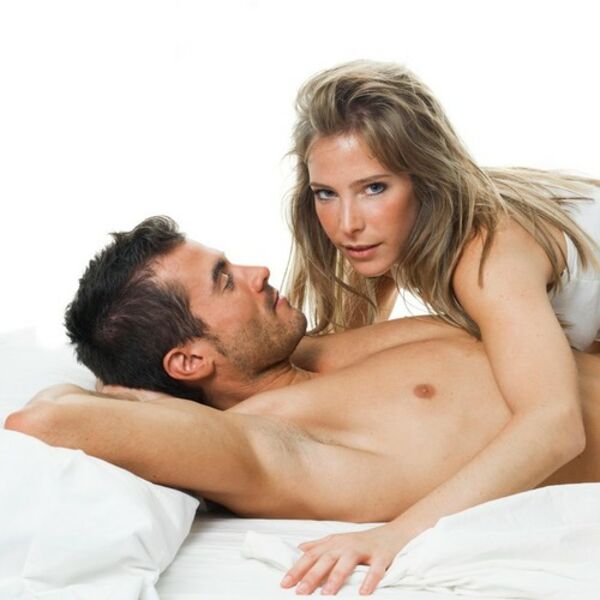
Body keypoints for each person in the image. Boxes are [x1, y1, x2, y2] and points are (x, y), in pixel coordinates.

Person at [5, 216, 600, 595]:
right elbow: (42, 420)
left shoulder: (312, 354)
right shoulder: (261, 440)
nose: (258, 271)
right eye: (224, 280)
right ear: (189, 361)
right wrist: (114, 394)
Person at [285, 59, 600, 588]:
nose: (347, 223)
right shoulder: (388, 236)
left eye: (374, 188)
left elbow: (555, 425)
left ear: (425, 179)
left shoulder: (486, 252)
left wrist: (397, 534)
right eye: (326, 194)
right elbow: (348, 359)